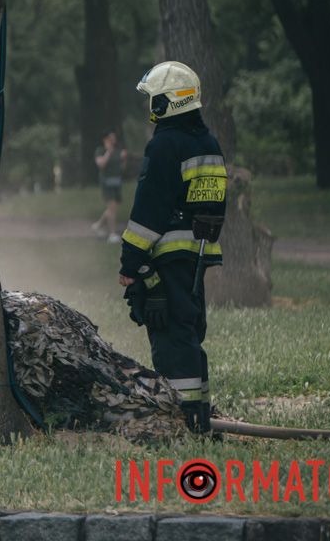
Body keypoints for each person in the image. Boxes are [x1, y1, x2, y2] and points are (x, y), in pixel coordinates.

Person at [118, 61, 227, 434]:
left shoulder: (165, 144)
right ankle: (200, 416)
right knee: (189, 331)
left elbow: (148, 210)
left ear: (170, 102)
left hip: (166, 257)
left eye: (154, 99)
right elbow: (215, 206)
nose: (150, 106)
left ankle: (181, 421)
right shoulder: (208, 144)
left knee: (171, 338)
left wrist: (131, 262)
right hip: (198, 256)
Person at [91, 130, 128, 243]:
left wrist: (124, 159)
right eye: (111, 138)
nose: (113, 140)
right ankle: (112, 234)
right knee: (112, 208)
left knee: (112, 208)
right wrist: (108, 151)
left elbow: (122, 167)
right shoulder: (100, 150)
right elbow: (101, 164)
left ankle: (97, 225)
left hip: (116, 182)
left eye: (114, 138)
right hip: (106, 183)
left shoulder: (118, 151)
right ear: (105, 140)